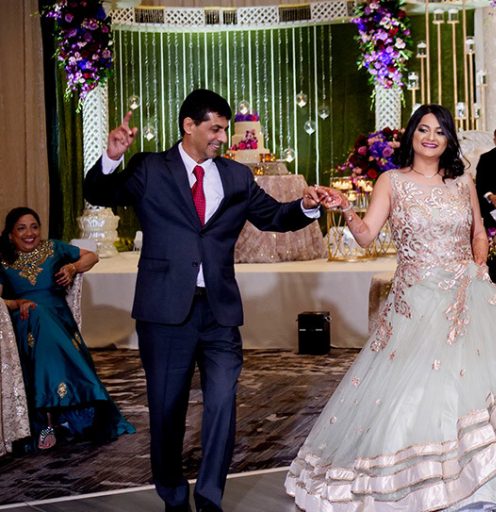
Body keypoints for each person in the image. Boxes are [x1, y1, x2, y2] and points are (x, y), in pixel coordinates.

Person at [285, 105, 496, 511]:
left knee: (475, 385)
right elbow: (366, 236)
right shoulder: (392, 181)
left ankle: (487, 485)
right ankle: (419, 483)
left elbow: (479, 232)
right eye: (423, 129)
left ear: (448, 139)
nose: (431, 137)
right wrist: (347, 209)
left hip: (465, 297)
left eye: (439, 131)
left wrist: (477, 271)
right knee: (418, 390)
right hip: (415, 301)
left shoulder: (462, 182)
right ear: (412, 135)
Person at [84, 89, 330, 512]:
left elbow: (273, 216)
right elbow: (101, 192)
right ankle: (174, 495)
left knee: (222, 402)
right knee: (166, 409)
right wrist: (110, 157)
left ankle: (210, 496)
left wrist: (305, 207)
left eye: (224, 129)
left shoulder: (236, 177)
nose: (221, 137)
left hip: (219, 313)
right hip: (164, 312)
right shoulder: (149, 168)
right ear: (189, 126)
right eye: (214, 128)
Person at [0, 207, 135, 452]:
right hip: (25, 320)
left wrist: (72, 268)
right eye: (21, 228)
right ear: (10, 235)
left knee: (47, 327)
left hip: (59, 320)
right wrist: (17, 303)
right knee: (37, 316)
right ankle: (50, 419)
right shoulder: (3, 260)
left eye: (34, 227)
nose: (30, 233)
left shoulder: (53, 248)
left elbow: (91, 256)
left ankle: (52, 421)